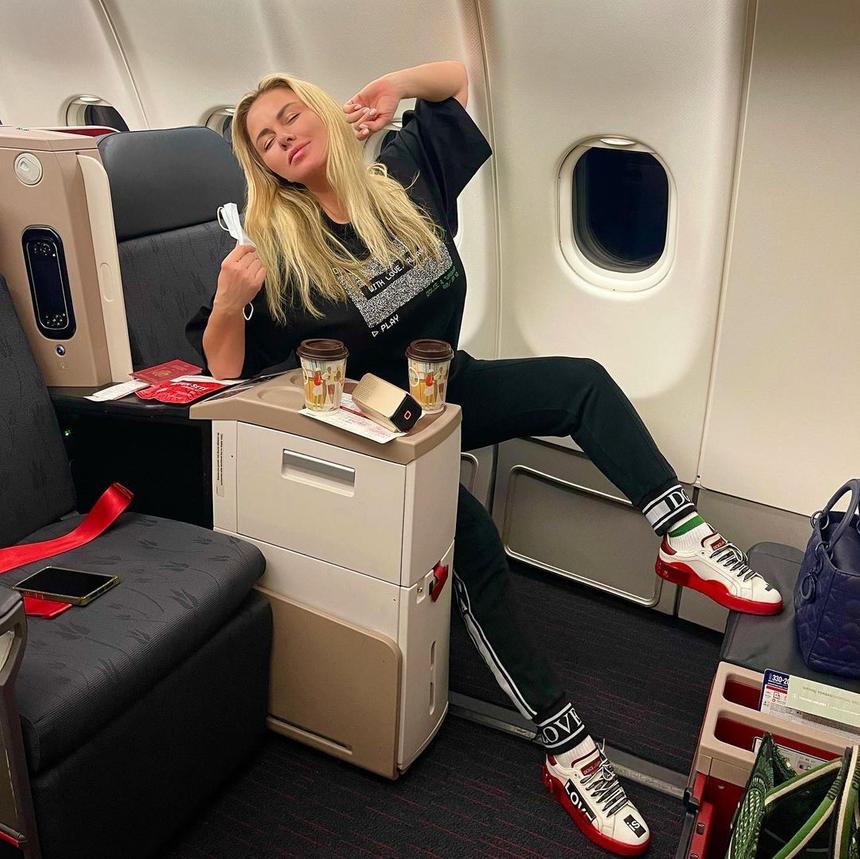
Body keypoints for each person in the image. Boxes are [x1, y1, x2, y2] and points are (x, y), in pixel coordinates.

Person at [187, 60, 783, 855]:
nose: (281, 138)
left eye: (289, 116)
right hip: (387, 435)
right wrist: (229, 302)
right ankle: (569, 750)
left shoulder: (401, 176)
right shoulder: (278, 249)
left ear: (322, 112)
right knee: (476, 550)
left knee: (581, 384)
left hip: (446, 389)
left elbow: (456, 79)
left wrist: (397, 85)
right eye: (264, 140)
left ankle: (683, 535)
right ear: (263, 166)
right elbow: (223, 368)